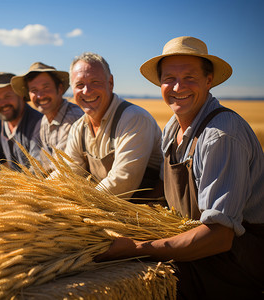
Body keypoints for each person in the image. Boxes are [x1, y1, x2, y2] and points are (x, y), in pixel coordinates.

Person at [93, 36, 264, 298]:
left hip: (236, 263)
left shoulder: (221, 135)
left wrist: (137, 248)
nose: (177, 86)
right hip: (198, 245)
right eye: (169, 78)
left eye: (189, 77)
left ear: (209, 81)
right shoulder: (173, 129)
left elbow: (220, 236)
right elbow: (169, 194)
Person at [59, 52, 163, 198]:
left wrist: (82, 204)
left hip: (149, 212)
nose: (87, 91)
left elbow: (122, 181)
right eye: (80, 85)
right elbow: (68, 173)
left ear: (110, 83)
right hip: (109, 209)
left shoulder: (133, 118)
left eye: (95, 82)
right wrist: (41, 194)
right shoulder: (78, 128)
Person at [11, 62, 84, 171]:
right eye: (34, 90)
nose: (40, 96)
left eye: (46, 88)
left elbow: (61, 169)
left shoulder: (72, 118)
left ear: (59, 89)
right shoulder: (44, 121)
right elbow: (41, 162)